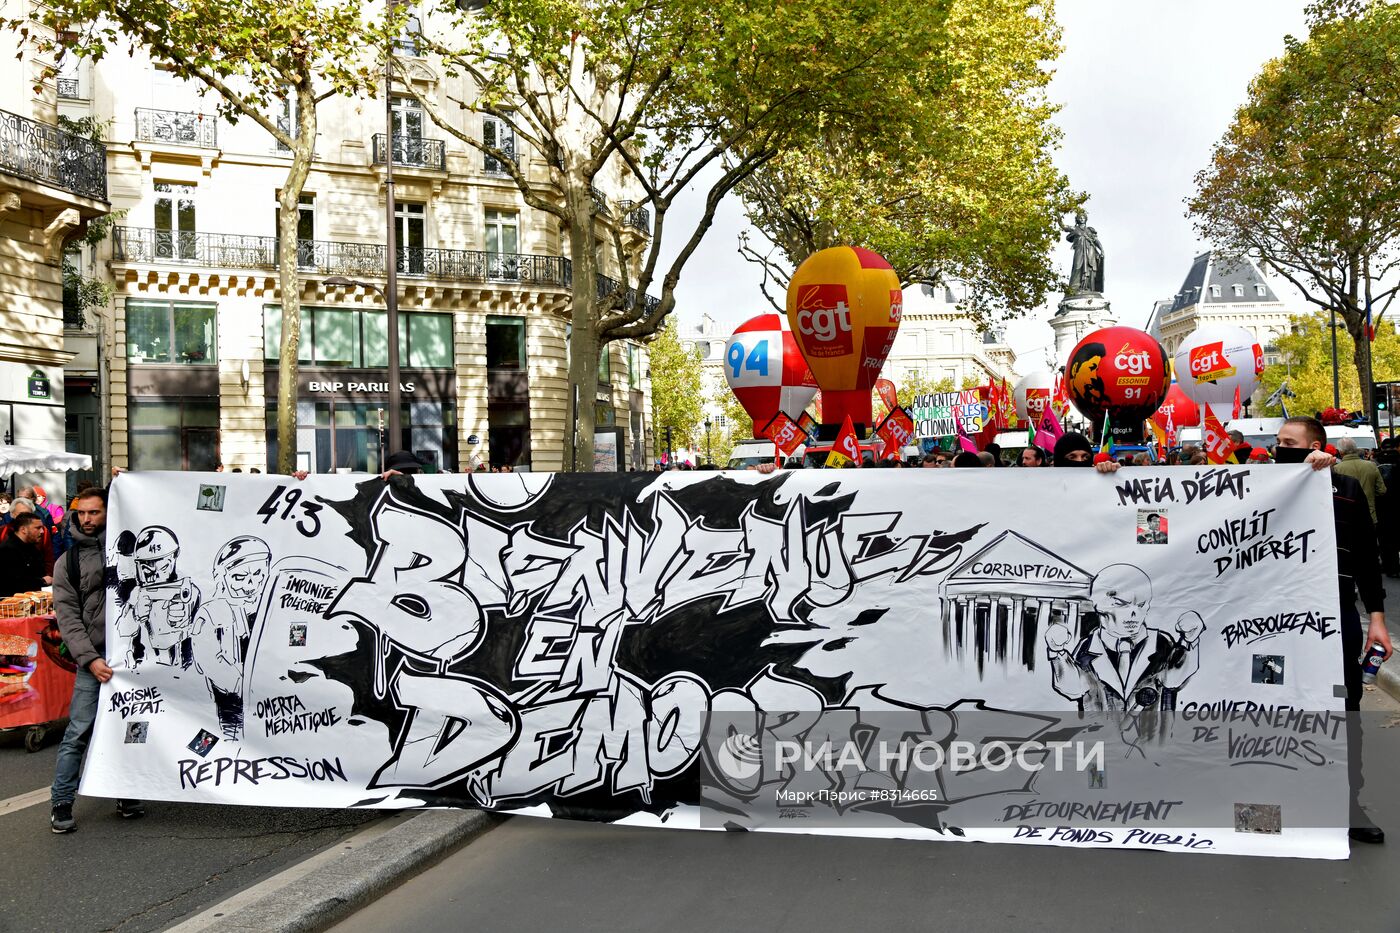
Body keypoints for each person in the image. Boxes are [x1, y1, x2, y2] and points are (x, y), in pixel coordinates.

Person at [1274, 416, 1391, 843]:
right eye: (1278, 441)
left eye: (1290, 442)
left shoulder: (1346, 489)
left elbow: (1365, 558)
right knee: (1272, 701)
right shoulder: (1260, 486)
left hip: (1332, 617)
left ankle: (1348, 802)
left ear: (1316, 446)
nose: (1280, 448)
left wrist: (1376, 618)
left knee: (1345, 704)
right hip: (1271, 624)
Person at [51, 487, 144, 832]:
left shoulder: (133, 550)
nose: (87, 520)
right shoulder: (68, 562)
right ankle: (61, 802)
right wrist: (90, 660)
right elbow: (68, 619)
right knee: (78, 731)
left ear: (109, 511)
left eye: (95, 512)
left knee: (132, 730)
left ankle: (126, 792)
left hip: (134, 658)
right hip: (95, 662)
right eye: (82, 514)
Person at [1333, 438, 1387, 523]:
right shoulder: (1371, 465)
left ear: (1340, 451)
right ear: (1355, 449)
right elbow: (1382, 490)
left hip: (1347, 518)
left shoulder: (1336, 469)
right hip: (1370, 515)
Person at [0, 513, 49, 595]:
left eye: (42, 528)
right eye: (38, 528)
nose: (42, 531)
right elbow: (12, 583)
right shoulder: (7, 551)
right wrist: (42, 581)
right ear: (23, 529)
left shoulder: (33, 548)